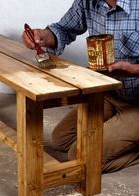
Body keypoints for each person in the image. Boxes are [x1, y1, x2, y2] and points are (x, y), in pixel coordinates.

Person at [22, 0, 139, 173]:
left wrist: (135, 70)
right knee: (61, 139)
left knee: (79, 156)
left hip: (137, 103)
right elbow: (63, 29)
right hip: (108, 93)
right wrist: (45, 36)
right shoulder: (87, 2)